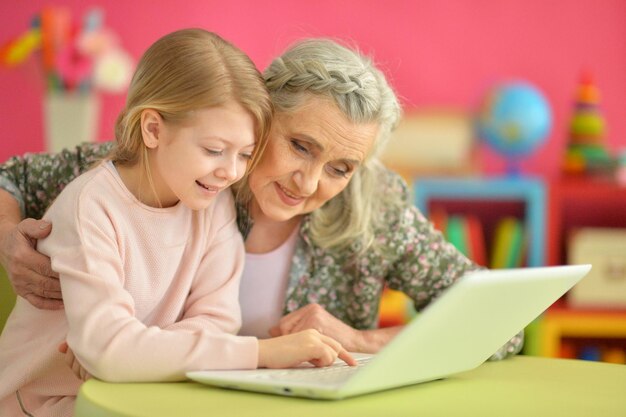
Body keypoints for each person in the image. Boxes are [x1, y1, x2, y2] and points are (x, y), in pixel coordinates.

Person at [0, 38, 523, 359]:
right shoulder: (178, 164)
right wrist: (6, 237)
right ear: (261, 114)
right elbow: (11, 177)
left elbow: (503, 325)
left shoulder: (375, 206)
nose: (308, 182)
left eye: (340, 168)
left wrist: (361, 341)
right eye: (300, 146)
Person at [0, 29, 355, 417]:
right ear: (153, 129)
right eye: (215, 150)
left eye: (245, 154)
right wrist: (262, 353)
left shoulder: (213, 207)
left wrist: (129, 356)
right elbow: (112, 352)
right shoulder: (92, 208)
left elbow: (216, 324)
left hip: (137, 398)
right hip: (37, 406)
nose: (231, 172)